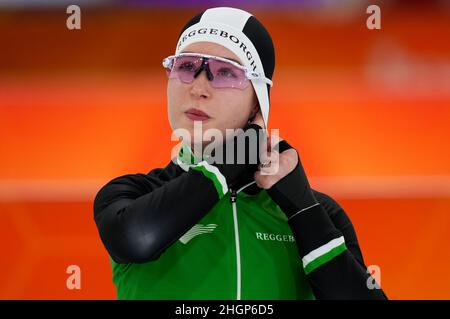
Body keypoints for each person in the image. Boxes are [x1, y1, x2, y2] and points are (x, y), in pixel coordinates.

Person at [93, 7, 387, 300]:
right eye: (186, 66)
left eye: (225, 73)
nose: (198, 88)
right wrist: (231, 161)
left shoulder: (318, 212)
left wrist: (303, 211)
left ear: (258, 104)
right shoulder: (129, 195)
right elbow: (137, 240)